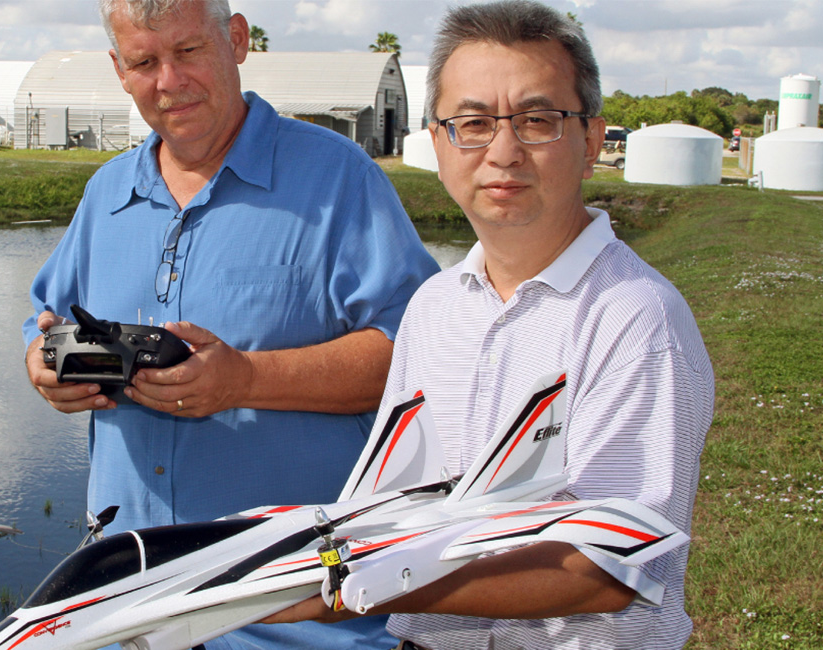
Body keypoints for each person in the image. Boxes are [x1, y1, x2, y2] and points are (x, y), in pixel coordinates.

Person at [265, 1, 714, 648]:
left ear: (589, 141)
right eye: (472, 122)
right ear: (440, 144)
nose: (502, 151)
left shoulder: (636, 319)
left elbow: (605, 567)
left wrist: (353, 583)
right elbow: (395, 501)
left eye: (536, 120)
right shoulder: (434, 307)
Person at [22, 0, 439, 648]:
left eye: (187, 51)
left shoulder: (338, 179)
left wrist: (244, 378)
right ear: (118, 70)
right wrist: (44, 366)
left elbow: (420, 358)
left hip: (296, 620)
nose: (169, 80)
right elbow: (43, 316)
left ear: (236, 40)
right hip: (127, 609)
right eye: (143, 61)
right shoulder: (106, 194)